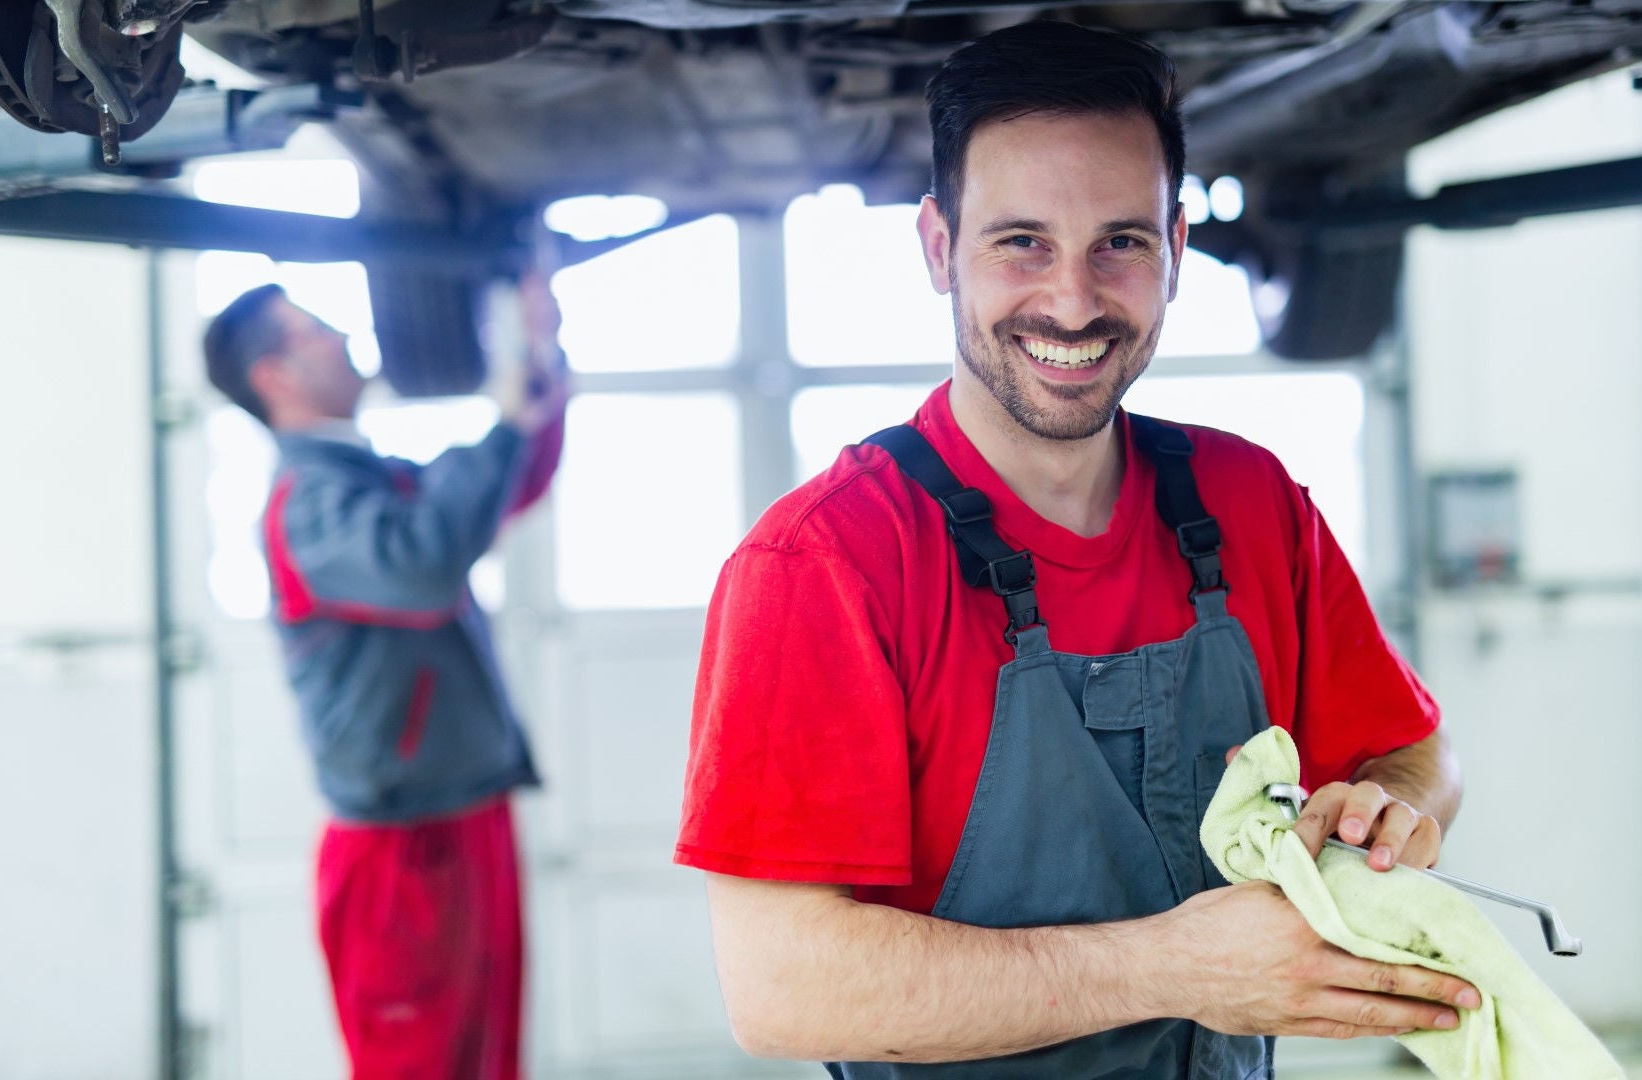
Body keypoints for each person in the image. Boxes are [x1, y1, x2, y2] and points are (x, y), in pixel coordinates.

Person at [674, 19, 1473, 1079]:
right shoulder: (827, 564)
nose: (1073, 299)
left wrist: (1394, 809)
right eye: (1022, 243)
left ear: (1177, 251)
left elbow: (1416, 752)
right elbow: (781, 986)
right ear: (935, 248)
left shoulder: (1252, 503)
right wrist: (1171, 969)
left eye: (1120, 243)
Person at [202, 273, 567, 1079]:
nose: (342, 335)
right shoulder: (309, 503)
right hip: (401, 857)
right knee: (420, 1064)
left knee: (489, 1062)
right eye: (314, 330)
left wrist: (536, 353)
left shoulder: (366, 475)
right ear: (276, 378)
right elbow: (423, 565)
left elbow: (504, 484)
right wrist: (505, 424)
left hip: (463, 818)